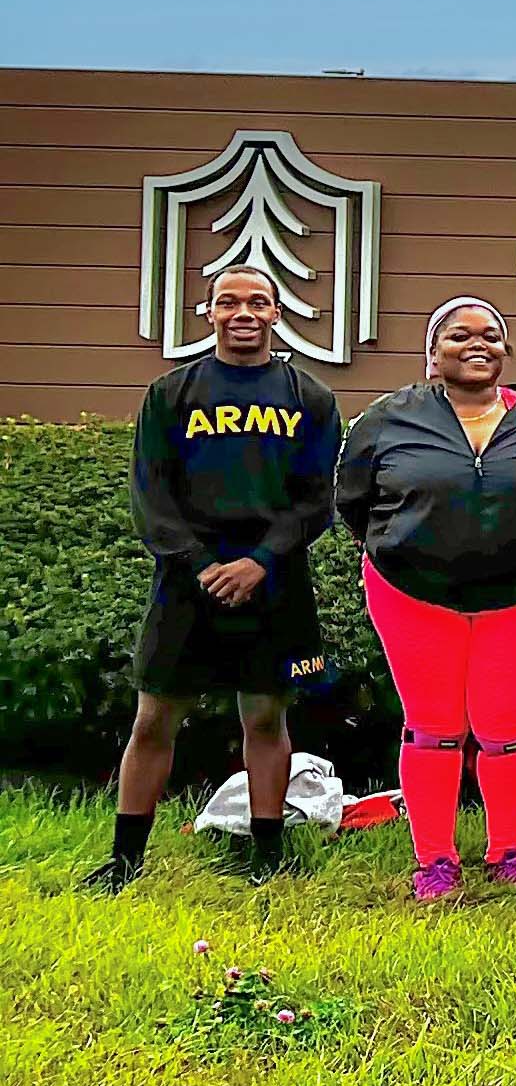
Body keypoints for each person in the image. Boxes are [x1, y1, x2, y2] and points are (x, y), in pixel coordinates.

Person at [88, 264, 342, 891]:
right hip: (186, 580)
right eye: (228, 302)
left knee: (264, 718)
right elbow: (151, 497)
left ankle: (267, 853)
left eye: (258, 302)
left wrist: (261, 560)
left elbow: (317, 500)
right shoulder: (172, 393)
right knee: (153, 719)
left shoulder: (309, 397)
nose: (244, 313)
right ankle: (125, 861)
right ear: (209, 314)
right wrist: (201, 564)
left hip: (274, 578)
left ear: (277, 314)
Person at [337, 296, 516, 901]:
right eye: (457, 335)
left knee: (509, 729)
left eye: (491, 335)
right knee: (434, 728)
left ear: (506, 351)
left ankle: (508, 850)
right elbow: (353, 500)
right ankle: (435, 860)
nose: (476, 344)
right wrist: (403, 545)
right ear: (432, 355)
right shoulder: (386, 420)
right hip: (411, 592)